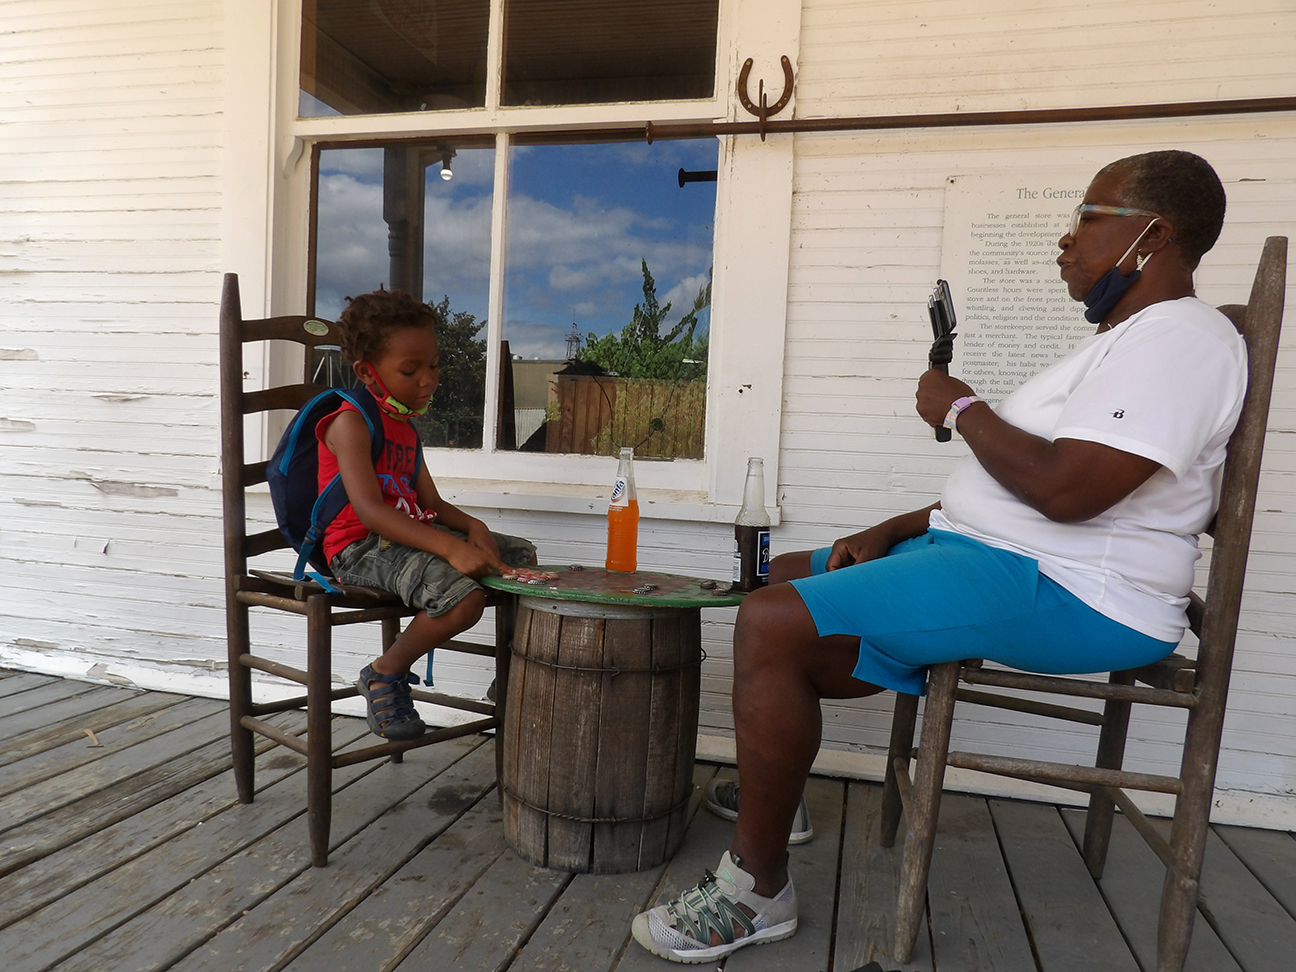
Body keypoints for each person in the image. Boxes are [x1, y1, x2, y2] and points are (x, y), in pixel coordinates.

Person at [631, 149, 1246, 963]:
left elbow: (1068, 492)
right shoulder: (1126, 340)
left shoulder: (1180, 339)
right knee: (778, 578)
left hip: (1077, 589)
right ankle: (775, 794)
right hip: (1003, 554)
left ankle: (757, 887)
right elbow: (1019, 484)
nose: (1065, 240)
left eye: (1086, 219)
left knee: (770, 623)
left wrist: (959, 405)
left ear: (1153, 235)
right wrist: (896, 524)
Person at [318, 289, 537, 740]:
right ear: (367, 371)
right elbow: (371, 511)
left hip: (406, 539)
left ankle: (513, 672)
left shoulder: (405, 428)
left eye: (433, 365)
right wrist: (450, 547)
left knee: (521, 557)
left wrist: (473, 528)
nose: (428, 379)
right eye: (410, 369)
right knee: (463, 596)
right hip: (358, 549)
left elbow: (431, 505)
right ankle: (384, 673)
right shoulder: (350, 422)